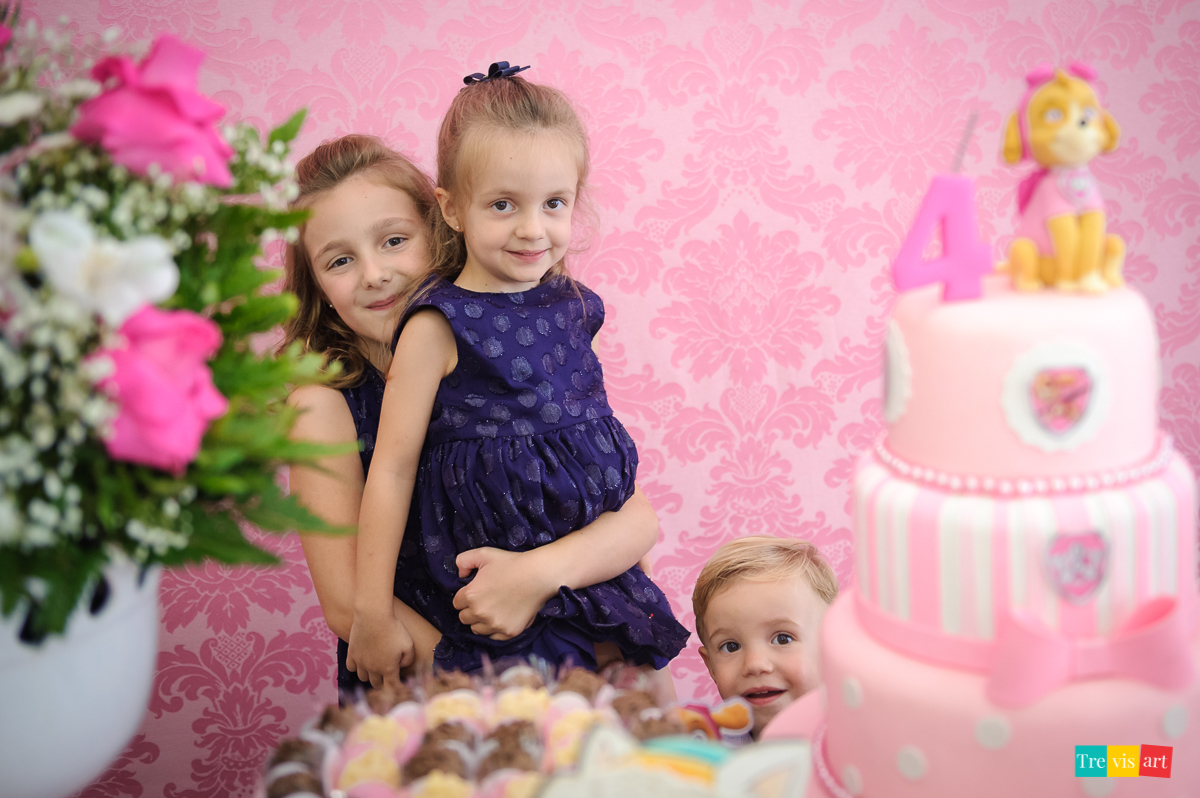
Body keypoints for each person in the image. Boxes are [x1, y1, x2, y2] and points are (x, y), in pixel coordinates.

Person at [347, 67, 689, 688]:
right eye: (503, 205)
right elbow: (391, 470)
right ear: (452, 207)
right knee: (540, 749)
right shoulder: (439, 323)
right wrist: (370, 612)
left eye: (553, 204)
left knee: (650, 710)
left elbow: (598, 463)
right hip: (494, 596)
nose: (533, 229)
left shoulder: (575, 308)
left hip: (594, 576)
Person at [281, 134, 446, 696]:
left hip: (548, 653)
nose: (373, 274)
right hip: (425, 680)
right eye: (341, 260)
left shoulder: (493, 361)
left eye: (394, 241)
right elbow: (347, 601)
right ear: (319, 287)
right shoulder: (321, 405)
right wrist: (492, 686)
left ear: (440, 234)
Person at [692, 536, 838, 738]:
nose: (755, 664)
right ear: (711, 667)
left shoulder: (861, 743)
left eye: (782, 638)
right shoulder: (710, 756)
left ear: (831, 648)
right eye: (731, 647)